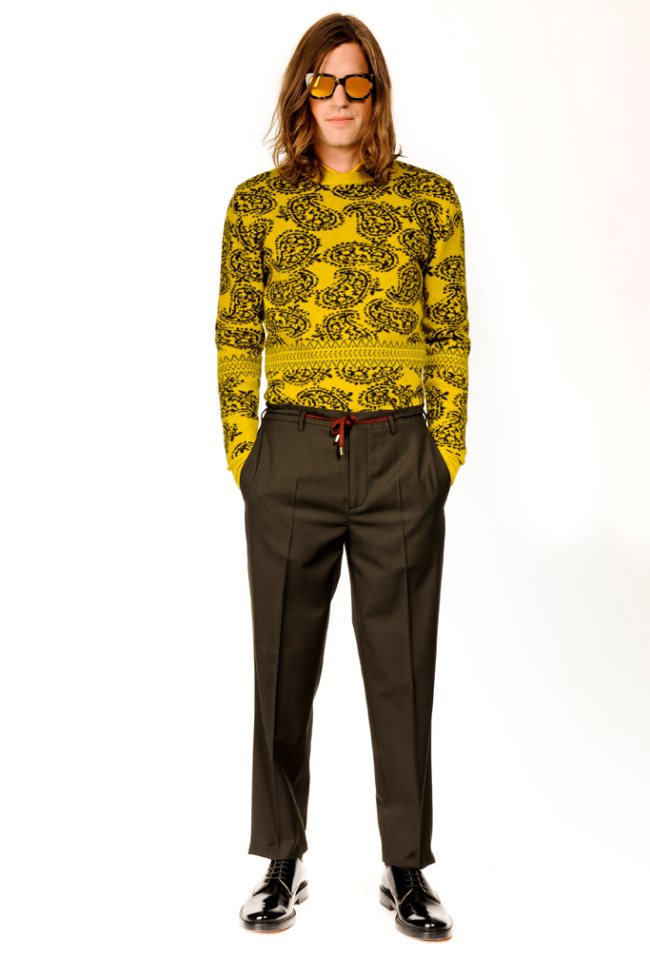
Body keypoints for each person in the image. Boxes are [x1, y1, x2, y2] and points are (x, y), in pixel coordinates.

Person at [214, 12, 470, 941]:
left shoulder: (429, 201)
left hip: (401, 451)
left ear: (377, 92)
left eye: (356, 82)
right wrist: (246, 453)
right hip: (290, 452)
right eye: (322, 83)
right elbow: (235, 333)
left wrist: (445, 452)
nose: (339, 99)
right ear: (302, 93)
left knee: (402, 669)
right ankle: (281, 859)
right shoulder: (256, 206)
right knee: (282, 665)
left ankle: (406, 867)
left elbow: (451, 332)